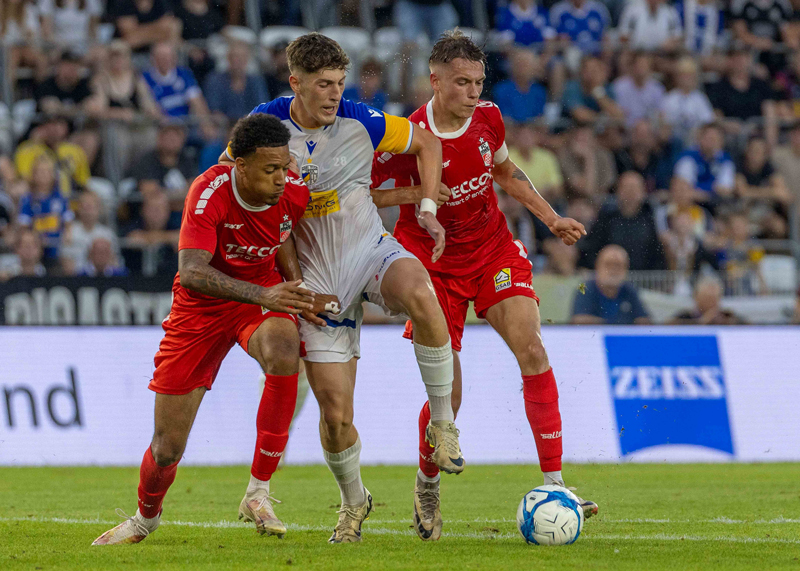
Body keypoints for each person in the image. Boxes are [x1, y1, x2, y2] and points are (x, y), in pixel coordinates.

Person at [220, 33, 463, 544]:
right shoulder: (266, 127)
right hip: (313, 279)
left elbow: (429, 143)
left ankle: (442, 425)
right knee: (335, 417)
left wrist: (425, 209)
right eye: (323, 84)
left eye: (339, 83)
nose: (335, 94)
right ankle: (354, 501)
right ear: (295, 83)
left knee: (422, 293)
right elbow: (231, 179)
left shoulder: (362, 120)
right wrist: (287, 279)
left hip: (369, 251)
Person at [370, 31, 597, 542]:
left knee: (532, 349)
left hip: (492, 250)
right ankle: (428, 484)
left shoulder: (490, 118)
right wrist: (421, 192)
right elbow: (365, 193)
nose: (473, 92)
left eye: (478, 82)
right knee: (448, 393)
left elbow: (507, 173)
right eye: (462, 83)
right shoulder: (406, 136)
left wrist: (552, 219)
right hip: (432, 266)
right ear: (435, 81)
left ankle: (556, 484)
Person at [91, 113, 327, 545]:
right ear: (241, 166)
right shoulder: (208, 191)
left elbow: (284, 235)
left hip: (258, 298)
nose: (281, 178)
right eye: (270, 170)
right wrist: (266, 294)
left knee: (284, 347)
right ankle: (145, 518)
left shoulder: (293, 191)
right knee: (167, 448)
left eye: (284, 167)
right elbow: (193, 272)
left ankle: (258, 492)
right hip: (199, 309)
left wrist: (295, 290)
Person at [578, 171, 666, 270]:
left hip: (643, 276)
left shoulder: (651, 220)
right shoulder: (606, 218)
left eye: (634, 188)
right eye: (626, 187)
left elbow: (657, 255)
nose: (630, 193)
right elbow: (592, 249)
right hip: (611, 275)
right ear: (618, 191)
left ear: (643, 192)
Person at [571, 244, 650, 324]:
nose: (613, 270)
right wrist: (617, 324)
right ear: (598, 266)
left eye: (618, 265)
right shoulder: (586, 289)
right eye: (608, 264)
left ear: (626, 269)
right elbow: (579, 320)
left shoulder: (629, 290)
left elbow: (644, 320)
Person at [204, 40, 269, 125]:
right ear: (228, 58)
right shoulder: (214, 80)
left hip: (250, 126)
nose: (238, 61)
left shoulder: (256, 81)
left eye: (242, 57)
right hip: (222, 127)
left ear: (247, 60)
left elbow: (262, 108)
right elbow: (214, 111)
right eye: (235, 57)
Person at [659, 57, 715, 145]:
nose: (687, 79)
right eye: (684, 75)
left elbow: (708, 122)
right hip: (674, 143)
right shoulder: (669, 99)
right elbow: (665, 124)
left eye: (690, 76)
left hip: (697, 143)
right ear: (677, 77)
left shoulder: (700, 98)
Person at [673, 122, 735, 202]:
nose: (711, 143)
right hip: (692, 202)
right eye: (708, 138)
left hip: (715, 204)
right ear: (699, 138)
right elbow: (682, 188)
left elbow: (726, 190)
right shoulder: (688, 157)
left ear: (721, 142)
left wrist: (700, 193)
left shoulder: (725, 160)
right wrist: (713, 189)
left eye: (715, 139)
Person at [61, 190, 118, 273]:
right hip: (76, 276)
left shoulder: (107, 234)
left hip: (102, 276)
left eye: (90, 207)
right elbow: (66, 263)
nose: (87, 211)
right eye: (84, 207)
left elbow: (114, 262)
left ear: (99, 209)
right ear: (79, 209)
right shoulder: (69, 232)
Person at [491, 49, 547, 123]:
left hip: (531, 128)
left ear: (534, 68)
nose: (522, 69)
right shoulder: (501, 89)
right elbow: (503, 117)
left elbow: (540, 117)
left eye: (526, 65)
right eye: (519, 65)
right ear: (512, 66)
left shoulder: (539, 91)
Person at [611, 51, 665, 128]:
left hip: (650, 129)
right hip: (625, 128)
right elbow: (617, 114)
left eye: (644, 65)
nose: (641, 69)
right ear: (632, 66)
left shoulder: (657, 88)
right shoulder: (619, 86)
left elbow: (661, 114)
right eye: (639, 65)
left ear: (650, 68)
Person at [670, 277, 747, 324]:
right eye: (707, 298)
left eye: (714, 299)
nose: (710, 303)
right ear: (696, 297)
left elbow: (749, 326)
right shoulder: (684, 317)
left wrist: (727, 323)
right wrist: (700, 322)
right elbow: (668, 327)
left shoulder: (727, 316)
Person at [617, 0, 682, 52]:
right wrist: (636, 42)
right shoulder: (632, 10)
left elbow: (677, 36)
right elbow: (623, 35)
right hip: (637, 52)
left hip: (663, 53)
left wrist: (670, 43)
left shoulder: (670, 12)